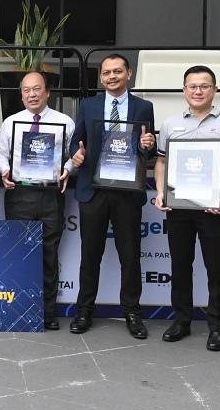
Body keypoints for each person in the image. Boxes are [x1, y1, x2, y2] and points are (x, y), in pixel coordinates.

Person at [153, 65, 220, 351]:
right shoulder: (170, 124)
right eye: (192, 86)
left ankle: (218, 327)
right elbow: (161, 163)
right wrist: (159, 192)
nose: (198, 91)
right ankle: (181, 320)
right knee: (180, 266)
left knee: (216, 267)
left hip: (213, 208)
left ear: (214, 90)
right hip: (178, 207)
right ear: (183, 90)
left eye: (204, 86)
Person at [67, 54, 157, 338]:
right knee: (90, 254)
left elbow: (148, 150)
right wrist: (76, 155)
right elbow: (75, 141)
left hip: (127, 191)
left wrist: (149, 145)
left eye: (117, 71)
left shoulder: (144, 107)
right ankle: (84, 311)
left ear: (128, 74)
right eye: (107, 73)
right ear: (101, 77)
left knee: (130, 256)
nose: (112, 77)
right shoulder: (88, 104)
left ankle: (132, 313)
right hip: (93, 190)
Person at [0, 71, 76, 330]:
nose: (32, 94)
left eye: (37, 89)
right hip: (20, 194)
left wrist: (69, 168)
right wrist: (3, 170)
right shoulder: (10, 123)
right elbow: (1, 155)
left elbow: (71, 157)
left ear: (47, 92)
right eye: (26, 90)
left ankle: (47, 312)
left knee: (49, 255)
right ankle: (18, 310)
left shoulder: (66, 122)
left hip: (51, 195)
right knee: (19, 253)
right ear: (21, 94)